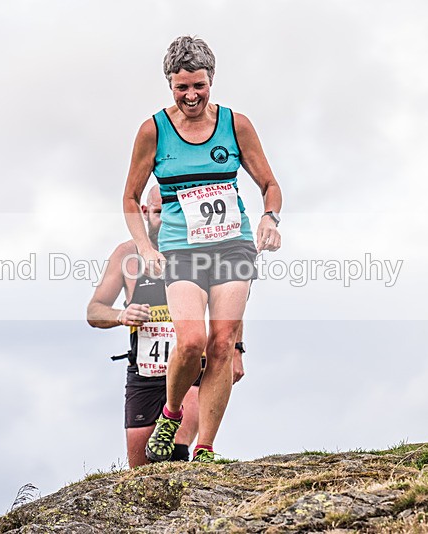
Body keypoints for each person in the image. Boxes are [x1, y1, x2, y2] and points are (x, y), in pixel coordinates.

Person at [122, 36, 281, 463]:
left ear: (212, 81)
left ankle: (206, 446)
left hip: (232, 244)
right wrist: (144, 247)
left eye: (199, 86)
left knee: (223, 342)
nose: (191, 95)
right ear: (169, 84)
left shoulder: (236, 124)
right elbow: (129, 198)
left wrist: (270, 217)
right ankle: (172, 414)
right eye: (182, 87)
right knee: (191, 341)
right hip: (181, 250)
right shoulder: (153, 130)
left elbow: (269, 184)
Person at [88, 185, 245, 467]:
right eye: (159, 212)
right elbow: (94, 310)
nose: (165, 219)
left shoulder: (199, 250)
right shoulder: (127, 256)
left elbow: (230, 304)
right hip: (146, 372)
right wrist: (120, 316)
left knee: (174, 454)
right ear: (146, 213)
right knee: (140, 468)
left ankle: (199, 468)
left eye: (173, 212)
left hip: (192, 368)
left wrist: (236, 350)